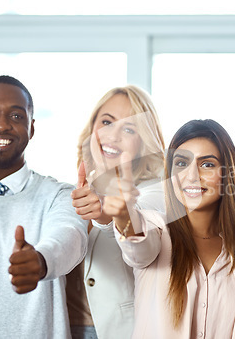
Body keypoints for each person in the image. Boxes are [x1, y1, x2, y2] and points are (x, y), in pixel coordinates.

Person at [106, 119, 235, 338]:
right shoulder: (157, 230)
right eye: (181, 163)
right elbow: (138, 249)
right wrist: (123, 215)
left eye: (207, 164)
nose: (191, 176)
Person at [0, 75, 88, 338]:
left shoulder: (59, 195)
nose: (1, 125)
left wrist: (41, 260)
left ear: (31, 128)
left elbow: (71, 237)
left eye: (15, 116)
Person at [67, 85, 165, 339]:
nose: (113, 135)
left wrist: (108, 212)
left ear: (143, 143)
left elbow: (143, 243)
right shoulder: (72, 189)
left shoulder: (156, 192)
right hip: (63, 327)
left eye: (129, 129)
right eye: (107, 122)